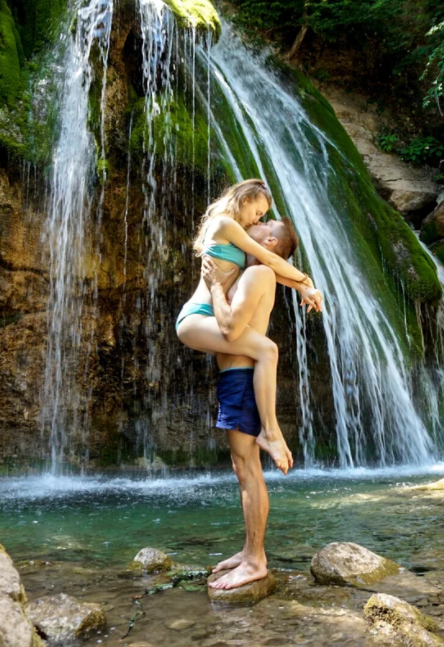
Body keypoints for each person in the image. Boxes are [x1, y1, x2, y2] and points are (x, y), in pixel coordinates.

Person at [175, 179, 323, 475]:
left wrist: (300, 288)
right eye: (258, 212)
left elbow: (264, 267)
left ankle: (270, 431)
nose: (258, 219)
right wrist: (306, 280)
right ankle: (270, 431)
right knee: (268, 349)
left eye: (262, 217)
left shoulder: (237, 235)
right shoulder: (223, 224)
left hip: (210, 317)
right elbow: (267, 258)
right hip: (196, 318)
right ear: (245, 199)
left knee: (266, 351)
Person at [201, 219, 313, 591]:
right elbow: (286, 273)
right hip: (238, 378)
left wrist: (216, 288)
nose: (254, 222)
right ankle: (249, 550)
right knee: (244, 468)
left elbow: (231, 330)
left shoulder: (256, 274)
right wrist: (305, 284)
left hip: (242, 379)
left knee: (247, 468)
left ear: (268, 241)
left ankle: (255, 560)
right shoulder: (261, 272)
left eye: (264, 223)